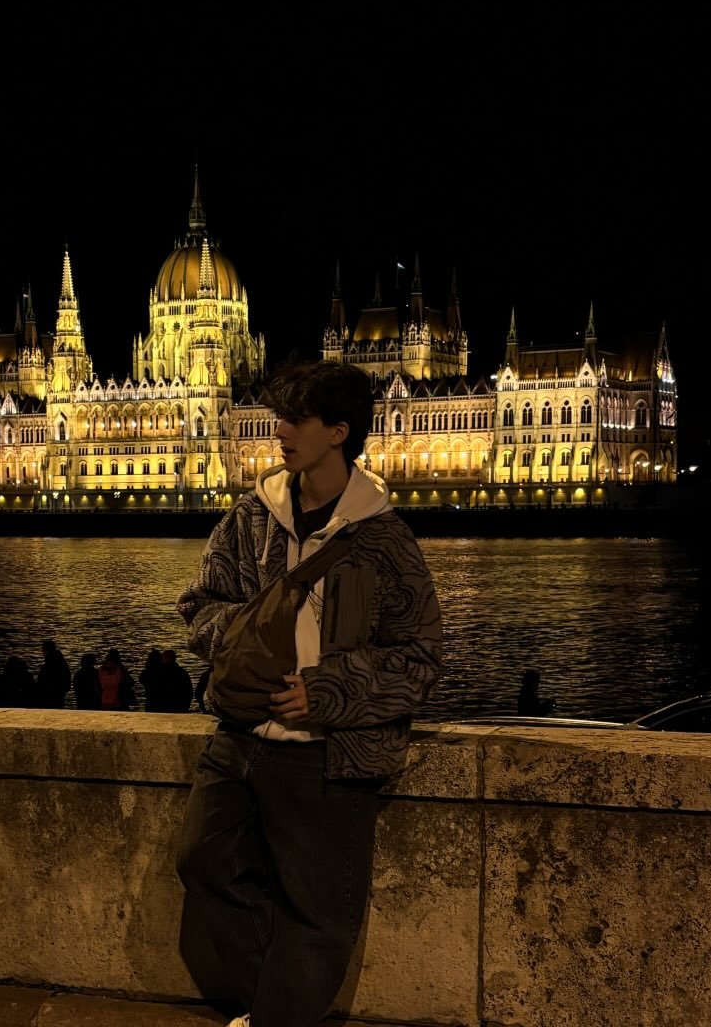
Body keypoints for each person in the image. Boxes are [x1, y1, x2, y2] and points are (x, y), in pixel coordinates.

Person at [175, 360, 443, 1027]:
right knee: (202, 863)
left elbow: (420, 657)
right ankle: (274, 1009)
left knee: (318, 912)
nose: (280, 430)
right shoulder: (249, 519)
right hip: (241, 736)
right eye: (279, 416)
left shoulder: (384, 540)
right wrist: (245, 643)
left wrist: (324, 692)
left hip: (328, 754)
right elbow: (198, 605)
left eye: (296, 419)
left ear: (339, 432)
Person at [140, 648, 194, 713]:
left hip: (156, 708)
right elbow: (189, 692)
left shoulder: (154, 672)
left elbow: (142, 680)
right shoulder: (182, 673)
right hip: (176, 708)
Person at [36, 638, 72, 708]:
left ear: (46, 650)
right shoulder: (62, 663)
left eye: (43, 649)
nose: (42, 652)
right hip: (59, 696)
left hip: (49, 697)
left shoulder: (48, 665)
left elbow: (42, 682)